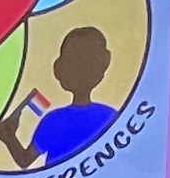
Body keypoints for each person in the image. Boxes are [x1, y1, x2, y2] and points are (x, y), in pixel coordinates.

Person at [10, 28, 120, 167]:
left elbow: (24, 160)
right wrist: (9, 137)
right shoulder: (109, 116)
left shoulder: (54, 120)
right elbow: (25, 161)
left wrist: (9, 137)